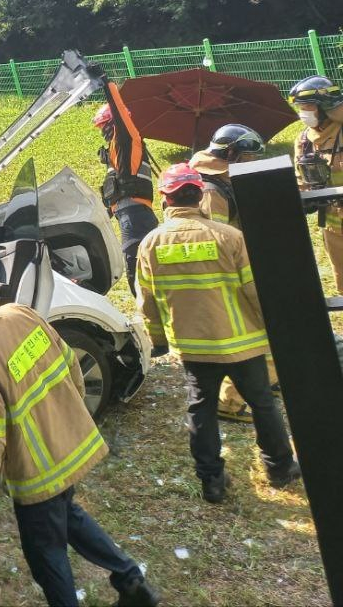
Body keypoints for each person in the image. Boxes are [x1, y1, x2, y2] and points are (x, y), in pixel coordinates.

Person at [0, 260, 160, 607]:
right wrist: (69, 418)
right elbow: (71, 365)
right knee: (69, 517)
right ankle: (133, 583)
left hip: (38, 477)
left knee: (47, 560)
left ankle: (124, 586)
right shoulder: (20, 315)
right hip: (67, 448)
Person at [136, 164, 299, 503]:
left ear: (165, 200)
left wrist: (158, 341)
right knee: (263, 405)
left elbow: (147, 301)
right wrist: (276, 331)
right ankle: (280, 469)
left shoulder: (150, 244)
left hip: (194, 349)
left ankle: (211, 481)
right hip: (243, 344)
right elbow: (256, 291)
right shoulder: (230, 237)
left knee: (201, 410)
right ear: (200, 196)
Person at [188, 124, 272, 423]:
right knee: (257, 331)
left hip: (234, 268)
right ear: (231, 153)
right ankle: (231, 401)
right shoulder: (213, 191)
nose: (250, 163)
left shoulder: (217, 177)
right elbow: (218, 241)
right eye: (247, 157)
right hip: (229, 274)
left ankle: (262, 383)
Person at [94, 81, 158, 295]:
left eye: (104, 126)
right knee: (139, 262)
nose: (102, 131)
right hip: (129, 213)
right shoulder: (116, 151)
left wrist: (106, 84)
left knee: (136, 263)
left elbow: (119, 110)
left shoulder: (126, 139)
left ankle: (146, 305)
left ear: (112, 124)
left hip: (135, 215)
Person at [289, 75, 343, 289]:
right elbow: (300, 180)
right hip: (333, 226)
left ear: (325, 106)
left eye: (308, 106)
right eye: (301, 107)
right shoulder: (303, 141)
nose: (303, 113)